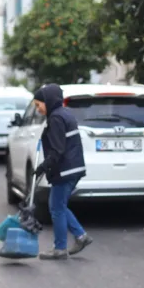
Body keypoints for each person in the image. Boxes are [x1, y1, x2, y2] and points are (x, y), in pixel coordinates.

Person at [32, 84, 93, 260]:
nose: (38, 109)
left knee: (56, 207)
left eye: (38, 105)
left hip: (66, 169)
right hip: (72, 168)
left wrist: (44, 166)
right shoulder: (64, 114)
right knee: (59, 205)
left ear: (48, 101)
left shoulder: (56, 118)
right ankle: (81, 236)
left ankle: (60, 248)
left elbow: (57, 149)